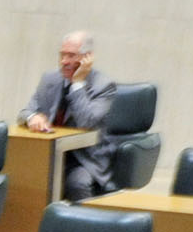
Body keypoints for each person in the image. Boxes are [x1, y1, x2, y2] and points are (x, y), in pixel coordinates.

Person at [21, 30, 121, 199]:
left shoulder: (104, 85)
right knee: (22, 178)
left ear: (87, 58)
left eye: (71, 56)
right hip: (49, 154)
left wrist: (78, 84)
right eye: (62, 55)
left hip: (84, 158)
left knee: (76, 183)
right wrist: (33, 117)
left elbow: (86, 121)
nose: (64, 62)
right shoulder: (49, 79)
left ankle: (84, 224)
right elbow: (25, 112)